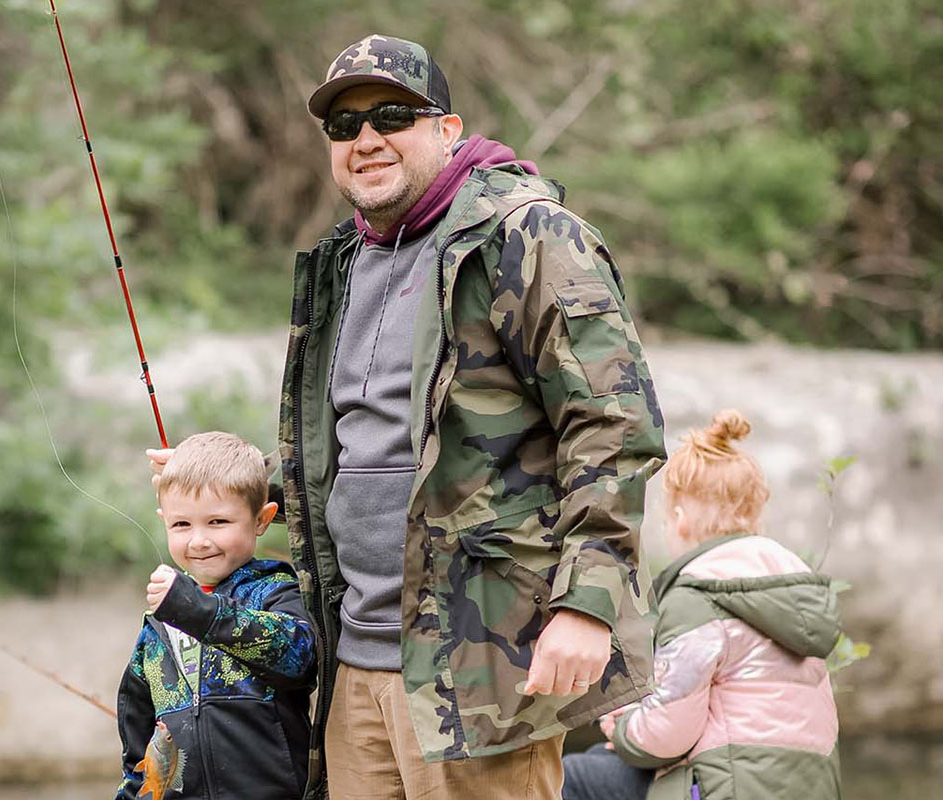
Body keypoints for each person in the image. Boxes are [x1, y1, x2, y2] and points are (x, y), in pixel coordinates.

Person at [150, 33, 665, 800]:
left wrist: (588, 605)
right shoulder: (342, 261)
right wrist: (223, 490)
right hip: (353, 667)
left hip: (482, 667)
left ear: (446, 130)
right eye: (344, 125)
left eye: (391, 114)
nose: (366, 139)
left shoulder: (526, 235)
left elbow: (614, 428)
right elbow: (360, 454)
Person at [562, 410, 843, 800]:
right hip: (811, 787)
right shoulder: (792, 586)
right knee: (604, 762)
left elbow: (667, 732)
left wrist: (622, 727)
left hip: (728, 788)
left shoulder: (697, 597)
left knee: (572, 776)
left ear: (678, 519)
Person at [117, 432, 316, 800]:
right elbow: (138, 748)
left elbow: (299, 658)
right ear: (164, 521)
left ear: (262, 519)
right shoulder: (159, 622)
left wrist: (196, 611)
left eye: (218, 522)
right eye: (181, 525)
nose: (199, 541)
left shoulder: (274, 591)